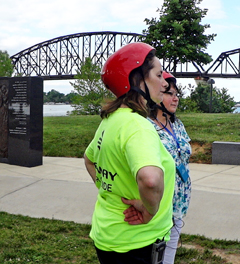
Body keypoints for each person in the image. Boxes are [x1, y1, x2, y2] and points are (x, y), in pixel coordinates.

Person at [82, 42, 176, 264]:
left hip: (108, 234)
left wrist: (110, 189)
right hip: (138, 242)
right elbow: (151, 180)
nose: (164, 83)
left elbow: (89, 160)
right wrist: (149, 211)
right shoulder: (138, 126)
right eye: (158, 75)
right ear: (136, 80)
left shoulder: (111, 120)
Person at [147, 71, 192, 264]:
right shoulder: (147, 126)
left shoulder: (178, 124)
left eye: (177, 94)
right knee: (154, 250)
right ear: (156, 96)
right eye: (170, 94)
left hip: (180, 197)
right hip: (159, 199)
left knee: (172, 245)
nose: (176, 99)